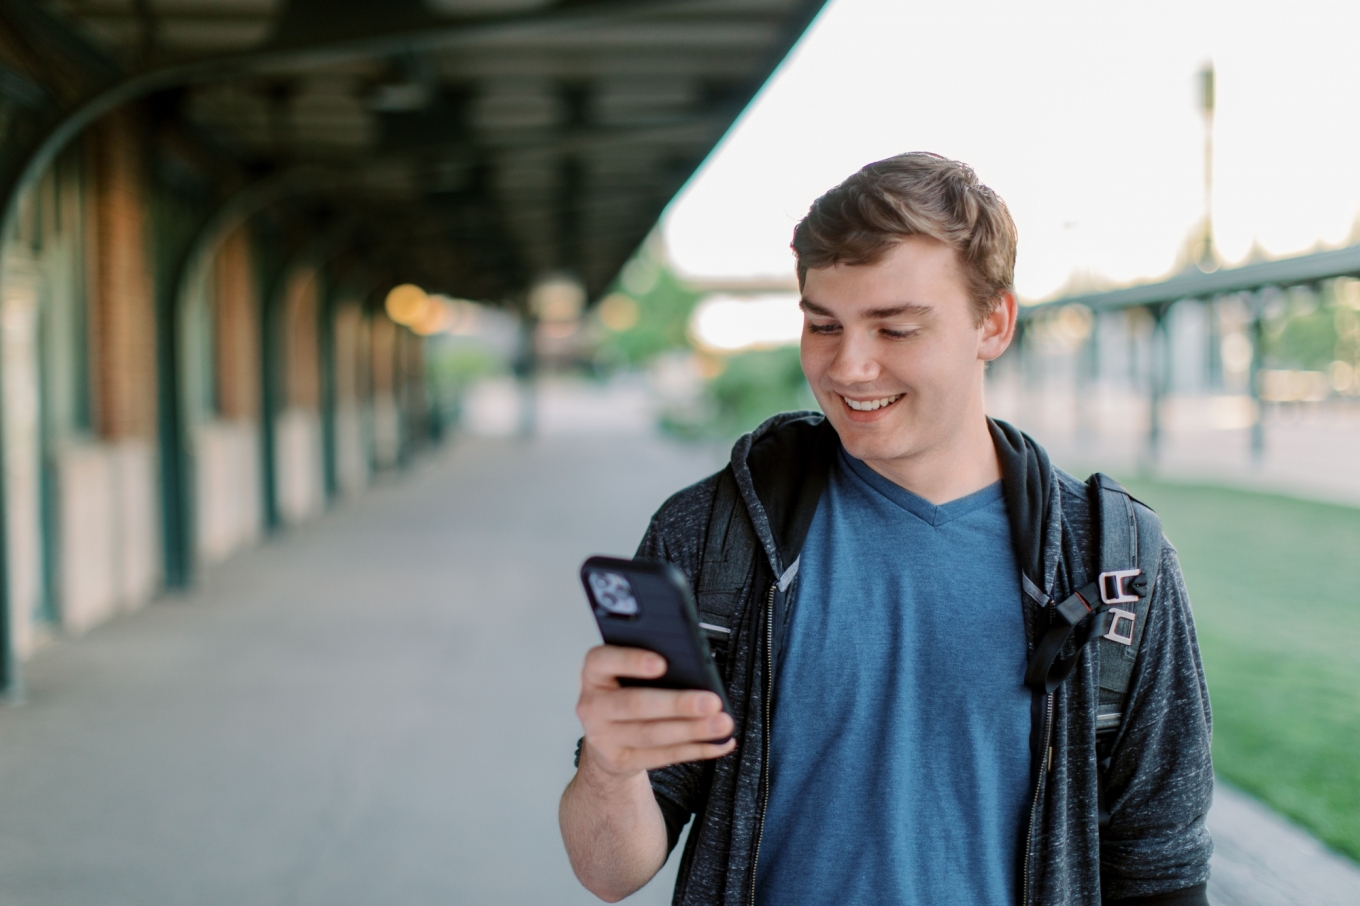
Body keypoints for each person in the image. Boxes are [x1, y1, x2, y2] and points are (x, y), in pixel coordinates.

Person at [559, 152, 1213, 906]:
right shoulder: (711, 536)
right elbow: (609, 873)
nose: (850, 367)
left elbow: (1161, 875)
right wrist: (609, 766)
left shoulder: (1115, 567)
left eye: (896, 329)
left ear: (993, 323)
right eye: (822, 324)